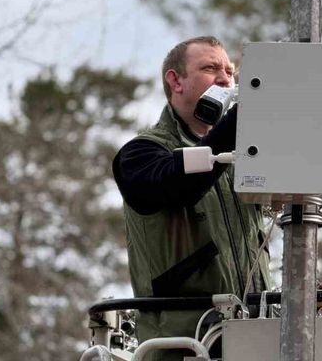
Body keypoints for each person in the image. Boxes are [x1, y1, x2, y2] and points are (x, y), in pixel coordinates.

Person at [113, 36, 271, 359]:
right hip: (182, 345)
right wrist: (243, 116)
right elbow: (178, 185)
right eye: (210, 68)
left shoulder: (245, 160)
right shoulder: (140, 154)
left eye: (230, 70)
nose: (226, 78)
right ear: (176, 81)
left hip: (255, 342)